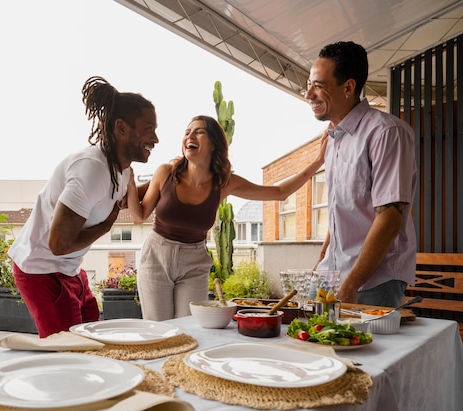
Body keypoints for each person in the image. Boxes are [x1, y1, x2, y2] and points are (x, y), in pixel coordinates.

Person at [126, 115, 328, 321]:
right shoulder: (166, 172)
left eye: (198, 131)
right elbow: (139, 215)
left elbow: (279, 192)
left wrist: (318, 161)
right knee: (159, 329)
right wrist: (130, 182)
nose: (190, 136)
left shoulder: (224, 182)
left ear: (214, 143)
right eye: (187, 132)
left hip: (193, 262)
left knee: (188, 327)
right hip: (156, 256)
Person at [8, 76, 158, 337]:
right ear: (121, 128)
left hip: (69, 268)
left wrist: (166, 182)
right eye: (148, 129)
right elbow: (58, 244)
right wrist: (106, 227)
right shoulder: (92, 169)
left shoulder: (120, 169)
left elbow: (114, 201)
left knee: (92, 338)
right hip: (42, 269)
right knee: (69, 351)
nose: (155, 138)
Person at [306, 41, 417, 307]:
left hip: (372, 281)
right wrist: (325, 254)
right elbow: (343, 207)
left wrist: (351, 283)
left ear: (348, 87)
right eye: (309, 84)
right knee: (306, 344)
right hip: (329, 274)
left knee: (365, 349)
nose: (309, 94)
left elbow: (390, 218)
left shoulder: (387, 132)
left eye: (319, 85)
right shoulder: (333, 139)